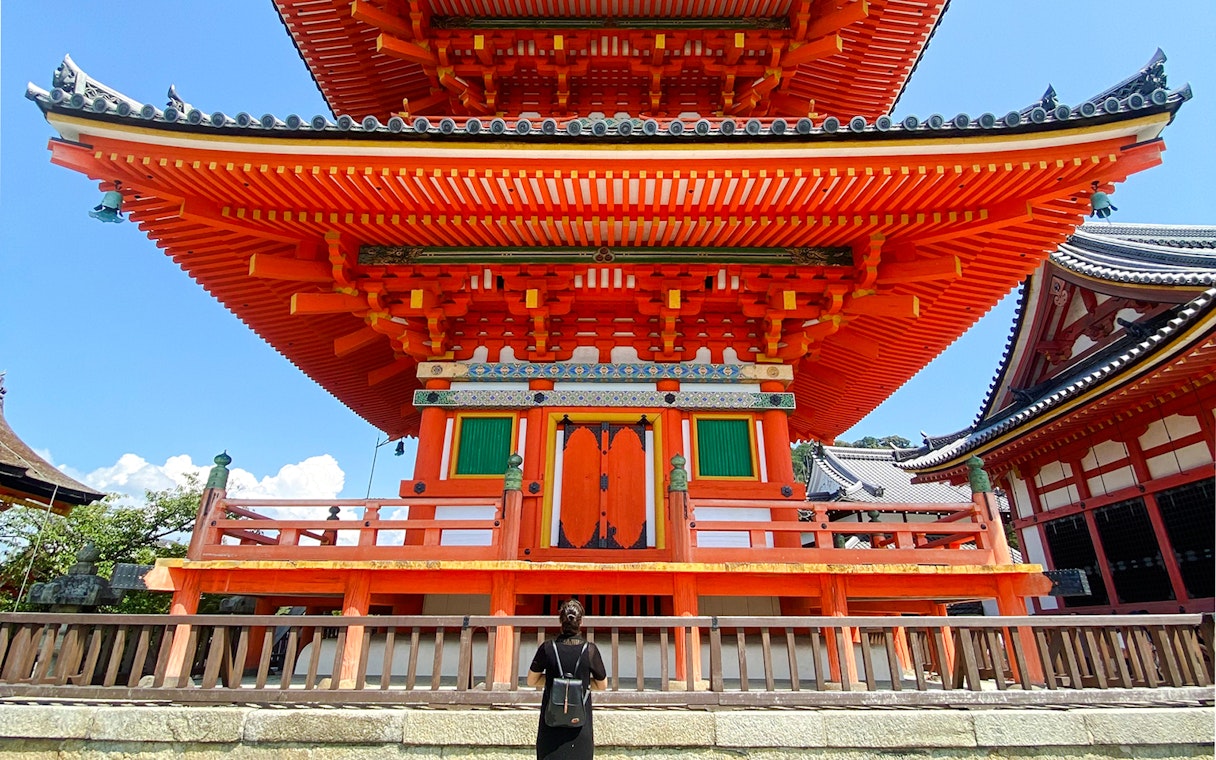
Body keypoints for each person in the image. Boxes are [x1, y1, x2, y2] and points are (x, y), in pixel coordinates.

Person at [528, 599, 607, 760]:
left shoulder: (547, 648)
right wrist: (582, 683)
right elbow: (602, 685)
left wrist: (553, 681)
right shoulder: (590, 650)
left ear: (560, 622)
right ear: (581, 622)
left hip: (551, 722)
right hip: (579, 724)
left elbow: (531, 681)